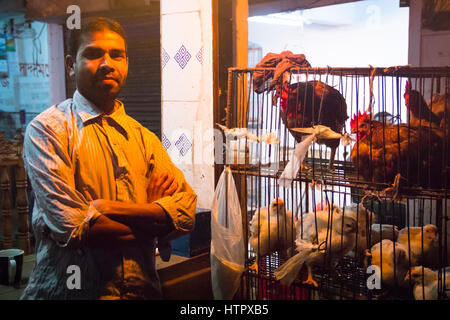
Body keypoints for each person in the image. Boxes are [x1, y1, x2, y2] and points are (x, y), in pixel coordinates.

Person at [20, 17, 197, 300]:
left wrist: (103, 207)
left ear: (126, 63)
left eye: (117, 55)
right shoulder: (48, 130)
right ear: (70, 65)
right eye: (92, 54)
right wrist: (154, 219)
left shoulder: (144, 139)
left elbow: (186, 212)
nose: (107, 63)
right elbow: (76, 226)